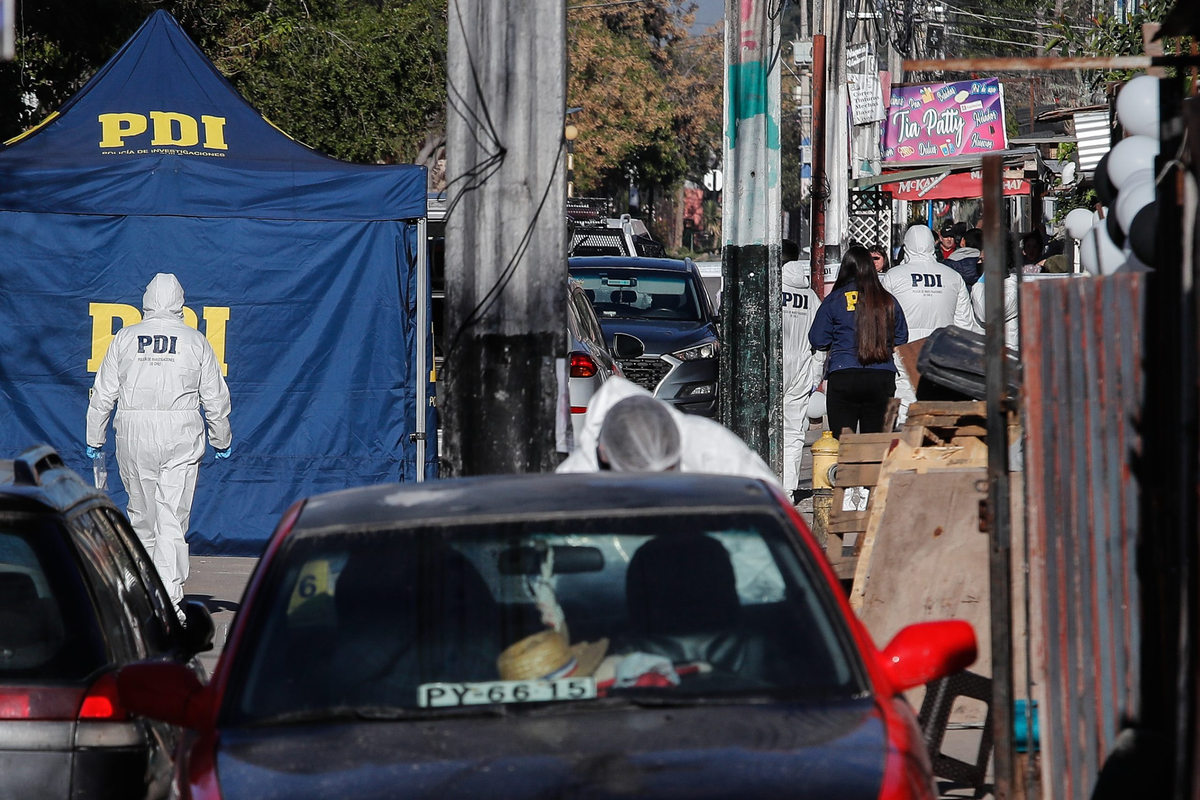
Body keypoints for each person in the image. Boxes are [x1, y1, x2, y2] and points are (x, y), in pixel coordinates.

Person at [86, 273, 232, 612]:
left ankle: (139, 592)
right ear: (181, 303)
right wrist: (220, 437)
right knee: (171, 517)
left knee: (141, 514)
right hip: (180, 430)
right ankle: (169, 598)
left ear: (146, 302)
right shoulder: (195, 340)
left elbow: (103, 393)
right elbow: (214, 397)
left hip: (133, 431)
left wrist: (94, 436)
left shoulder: (125, 337)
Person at [558, 376, 778, 483]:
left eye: (668, 475)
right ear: (604, 454)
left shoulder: (710, 447)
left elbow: (773, 513)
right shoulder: (574, 482)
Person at [809, 246, 909, 438]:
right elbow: (901, 338)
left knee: (843, 444)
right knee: (876, 443)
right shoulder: (888, 300)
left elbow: (818, 339)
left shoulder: (834, 300)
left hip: (843, 373)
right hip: (882, 375)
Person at [881, 224, 979, 341]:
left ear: (906, 246)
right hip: (941, 348)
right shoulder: (953, 276)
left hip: (904, 349)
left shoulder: (893, 276)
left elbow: (882, 317)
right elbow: (964, 322)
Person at [781, 240, 822, 494]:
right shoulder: (810, 297)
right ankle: (787, 490)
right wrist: (815, 373)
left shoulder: (769, 289)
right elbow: (821, 340)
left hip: (772, 364)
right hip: (802, 367)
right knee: (794, 432)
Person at [972, 247, 1021, 350]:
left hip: (1006, 352)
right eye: (979, 260)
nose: (979, 263)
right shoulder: (989, 285)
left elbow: (987, 313)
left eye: (984, 260)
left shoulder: (1012, 290)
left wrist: (980, 284)